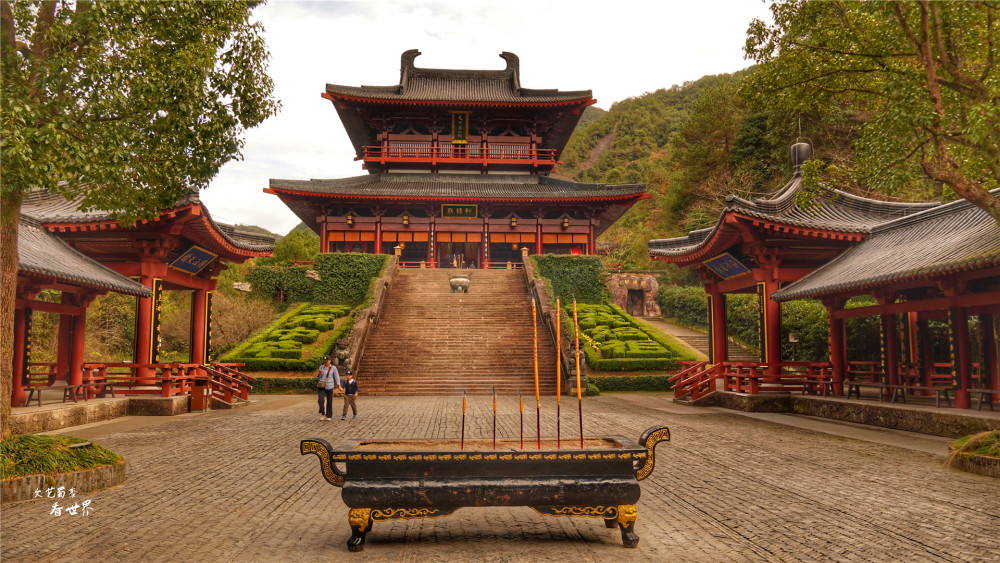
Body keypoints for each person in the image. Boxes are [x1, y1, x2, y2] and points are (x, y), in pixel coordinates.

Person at [316, 355, 339, 421]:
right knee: (320, 400)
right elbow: (317, 375)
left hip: (329, 386)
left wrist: (338, 384)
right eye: (324, 361)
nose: (325, 363)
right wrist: (319, 374)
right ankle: (323, 413)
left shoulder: (333, 368)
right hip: (321, 385)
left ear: (330, 361)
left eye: (326, 361)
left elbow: (336, 376)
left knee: (329, 401)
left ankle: (329, 415)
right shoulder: (321, 367)